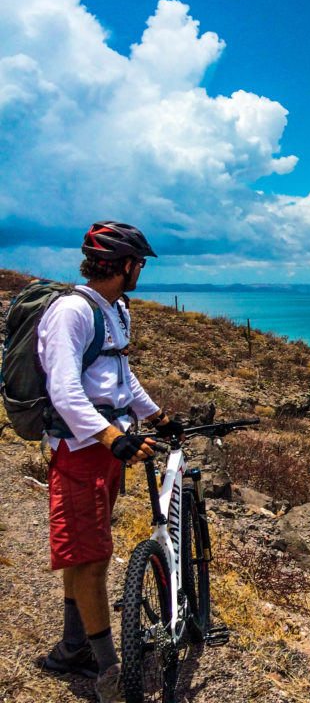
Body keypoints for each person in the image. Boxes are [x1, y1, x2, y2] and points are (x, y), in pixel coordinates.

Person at [38, 221, 183, 703]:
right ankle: (107, 673)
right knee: (93, 556)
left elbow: (120, 378)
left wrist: (156, 416)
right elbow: (63, 389)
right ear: (124, 265)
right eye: (139, 264)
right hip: (82, 451)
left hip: (106, 448)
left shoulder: (115, 308)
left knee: (85, 550)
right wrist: (109, 437)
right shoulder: (72, 313)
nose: (141, 271)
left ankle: (73, 646)